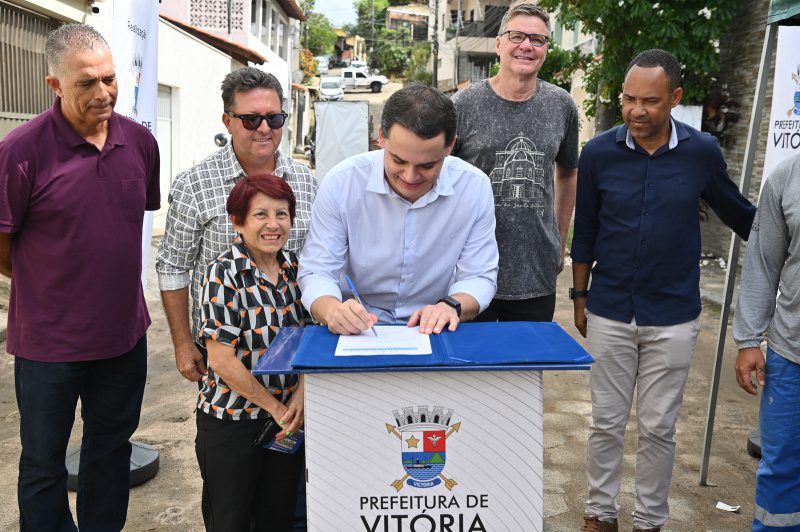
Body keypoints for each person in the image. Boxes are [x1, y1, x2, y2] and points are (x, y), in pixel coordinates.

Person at [570, 49, 756, 532]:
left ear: (674, 98)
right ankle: (600, 514)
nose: (636, 110)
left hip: (673, 315)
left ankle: (649, 521)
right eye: (628, 98)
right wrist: (579, 296)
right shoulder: (598, 153)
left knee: (658, 428)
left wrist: (783, 230)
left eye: (649, 101)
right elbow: (585, 228)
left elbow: (737, 212)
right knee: (606, 422)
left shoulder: (702, 152)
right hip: (610, 309)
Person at [0, 24, 160, 530]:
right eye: (86, 83)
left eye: (109, 79)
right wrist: (46, 283)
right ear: (56, 86)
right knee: (44, 462)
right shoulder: (20, 151)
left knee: (110, 452)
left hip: (123, 338)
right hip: (49, 345)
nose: (103, 93)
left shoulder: (140, 143)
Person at [156, 67, 317, 384]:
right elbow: (173, 266)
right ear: (227, 121)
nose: (264, 129)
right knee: (229, 432)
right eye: (251, 119)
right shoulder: (195, 184)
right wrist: (183, 343)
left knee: (296, 432)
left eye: (273, 118)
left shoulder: (307, 183)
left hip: (298, 346)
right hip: (225, 354)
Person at [298, 84, 498, 335]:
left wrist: (451, 306)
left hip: (433, 328)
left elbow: (480, 275)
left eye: (427, 165)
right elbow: (317, 270)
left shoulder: (474, 187)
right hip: (357, 329)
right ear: (381, 138)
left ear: (450, 147)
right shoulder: (342, 183)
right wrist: (332, 310)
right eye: (398, 160)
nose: (410, 176)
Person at [451, 2, 579, 323]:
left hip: (536, 271)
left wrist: (559, 240)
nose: (526, 46)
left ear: (546, 49)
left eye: (537, 40)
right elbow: (439, 178)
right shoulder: (463, 105)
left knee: (526, 370)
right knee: (472, 370)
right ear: (498, 44)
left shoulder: (561, 105)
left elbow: (567, 173)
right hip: (470, 270)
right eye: (517, 36)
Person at [195, 174, 309, 531]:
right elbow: (221, 360)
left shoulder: (296, 270)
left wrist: (300, 397)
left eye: (282, 214)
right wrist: (276, 408)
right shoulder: (224, 274)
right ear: (238, 221)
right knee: (231, 521)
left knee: (277, 518)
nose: (273, 224)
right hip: (233, 423)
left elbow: (312, 339)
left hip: (287, 423)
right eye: (261, 215)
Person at [734, 153, 800, 531]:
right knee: (782, 472)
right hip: (792, 354)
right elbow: (763, 263)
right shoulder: (787, 176)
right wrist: (747, 340)